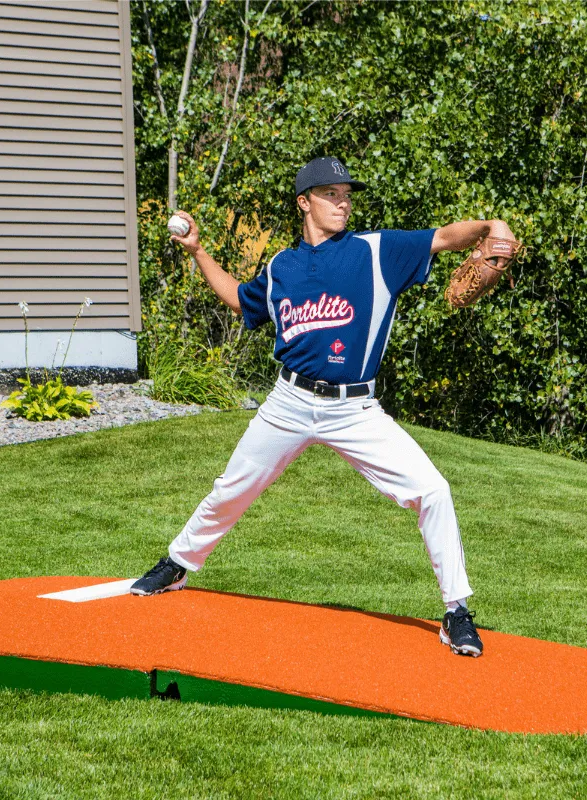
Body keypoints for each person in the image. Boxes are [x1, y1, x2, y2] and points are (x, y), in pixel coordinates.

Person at [131, 156, 518, 657]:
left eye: (346, 194)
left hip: (354, 409)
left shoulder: (376, 251)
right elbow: (242, 302)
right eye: (331, 193)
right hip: (288, 402)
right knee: (231, 488)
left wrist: (491, 227)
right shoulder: (281, 267)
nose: (343, 202)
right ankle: (178, 564)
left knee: (433, 491)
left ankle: (457, 611)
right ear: (304, 202)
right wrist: (199, 250)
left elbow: (446, 236)